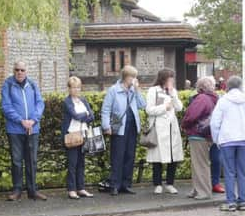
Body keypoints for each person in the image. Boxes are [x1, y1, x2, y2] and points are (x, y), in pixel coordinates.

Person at [210, 76, 245, 212]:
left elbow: (215, 122)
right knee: (243, 172)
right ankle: (242, 202)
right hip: (244, 139)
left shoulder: (223, 100)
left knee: (229, 172)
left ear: (227, 86)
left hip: (227, 140)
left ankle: (231, 202)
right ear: (240, 86)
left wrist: (217, 139)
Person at [1, 61, 47, 201]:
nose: (19, 72)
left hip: (33, 128)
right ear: (13, 70)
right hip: (15, 129)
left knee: (31, 160)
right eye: (17, 70)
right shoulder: (8, 85)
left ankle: (33, 190)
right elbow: (6, 106)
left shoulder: (32, 84)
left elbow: (40, 103)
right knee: (16, 161)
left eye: (22, 70)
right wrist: (21, 121)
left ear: (26, 71)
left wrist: (33, 120)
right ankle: (17, 190)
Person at [101, 65, 146, 196]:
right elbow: (106, 109)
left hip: (132, 126)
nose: (135, 79)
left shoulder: (133, 91)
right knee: (117, 156)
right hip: (119, 127)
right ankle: (114, 185)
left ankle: (125, 184)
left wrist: (137, 90)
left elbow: (143, 105)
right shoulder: (114, 90)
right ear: (127, 77)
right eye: (133, 77)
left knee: (129, 156)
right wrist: (106, 126)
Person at [145, 68, 184, 195]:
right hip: (159, 128)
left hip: (172, 127)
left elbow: (179, 107)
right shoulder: (153, 90)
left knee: (173, 156)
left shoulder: (173, 91)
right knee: (158, 157)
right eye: (169, 78)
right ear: (163, 78)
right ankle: (157, 184)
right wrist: (164, 107)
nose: (171, 80)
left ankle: (170, 183)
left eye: (172, 78)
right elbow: (149, 110)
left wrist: (173, 94)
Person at [181, 77, 218, 200]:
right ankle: (197, 189)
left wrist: (184, 125)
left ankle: (203, 192)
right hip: (208, 135)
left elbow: (191, 115)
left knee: (200, 164)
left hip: (198, 134)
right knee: (200, 164)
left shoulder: (202, 98)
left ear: (200, 87)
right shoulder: (215, 98)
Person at [61, 77, 95, 199]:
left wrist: (85, 115)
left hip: (84, 134)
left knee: (81, 163)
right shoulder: (67, 102)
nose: (76, 90)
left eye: (78, 87)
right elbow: (74, 115)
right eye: (74, 87)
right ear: (69, 89)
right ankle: (71, 189)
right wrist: (85, 115)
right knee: (72, 163)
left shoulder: (83, 100)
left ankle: (81, 188)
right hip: (72, 135)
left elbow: (92, 116)